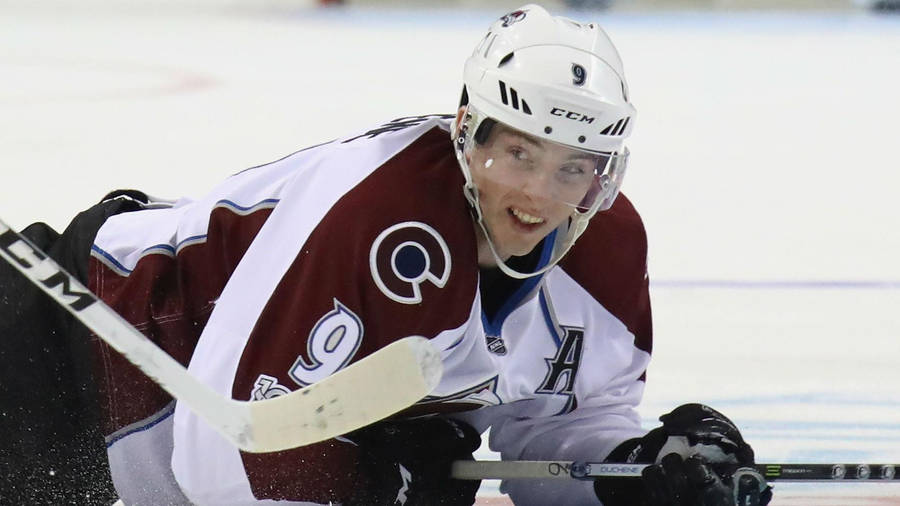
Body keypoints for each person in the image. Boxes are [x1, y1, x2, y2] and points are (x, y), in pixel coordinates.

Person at [0, 4, 772, 505]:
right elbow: (223, 455)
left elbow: (553, 433)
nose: (537, 196)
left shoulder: (606, 255)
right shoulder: (376, 216)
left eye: (573, 166)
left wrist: (639, 471)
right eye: (518, 154)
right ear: (467, 132)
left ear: (605, 173)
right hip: (70, 341)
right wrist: (367, 485)